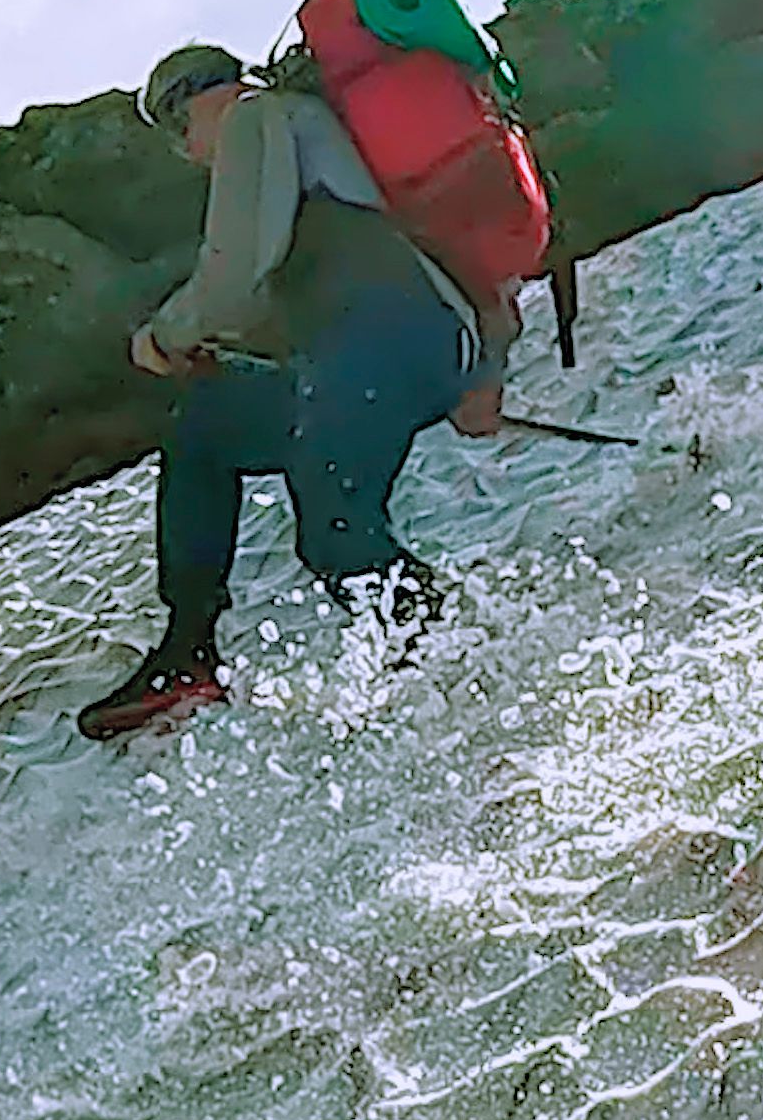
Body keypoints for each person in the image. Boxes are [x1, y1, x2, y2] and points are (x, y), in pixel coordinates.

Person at [77, 41, 497, 739]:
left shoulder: (255, 118)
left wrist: (163, 337)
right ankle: (189, 655)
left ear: (196, 103)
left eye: (178, 129)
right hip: (392, 348)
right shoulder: (297, 124)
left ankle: (455, 658)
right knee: (205, 425)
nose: (186, 151)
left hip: (387, 345)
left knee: (334, 531)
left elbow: (236, 265)